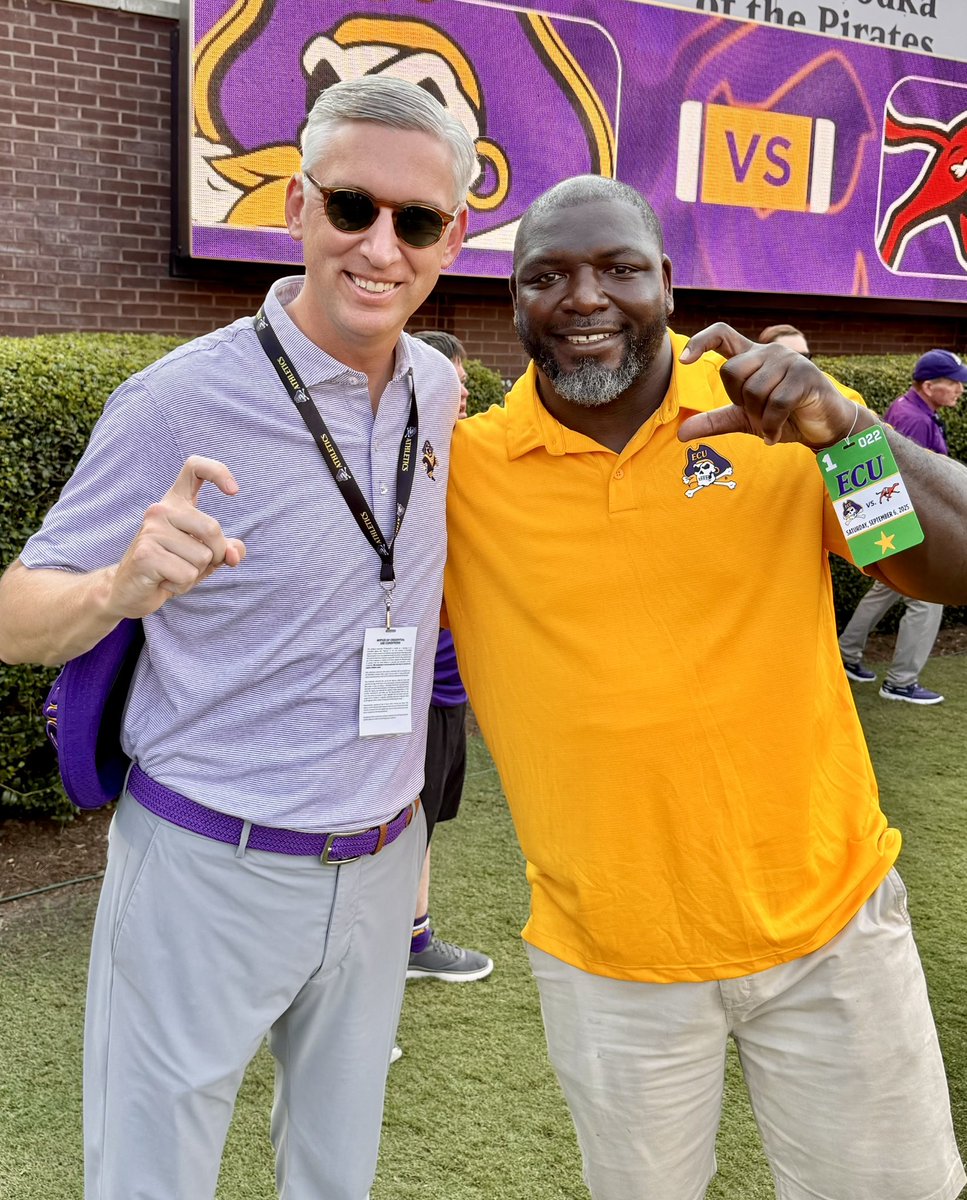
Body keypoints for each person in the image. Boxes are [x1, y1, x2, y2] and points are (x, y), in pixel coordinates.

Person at [443, 175, 967, 1200]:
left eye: (617, 268)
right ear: (515, 304)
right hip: (608, 958)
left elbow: (940, 570)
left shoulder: (778, 430)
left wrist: (845, 428)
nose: (583, 297)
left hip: (830, 931)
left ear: (668, 288)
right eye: (545, 275)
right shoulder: (466, 472)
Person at [0, 76, 476, 1200]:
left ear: (449, 238)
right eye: (351, 207)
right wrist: (118, 587)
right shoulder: (178, 399)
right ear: (298, 209)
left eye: (415, 221)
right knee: (151, 1180)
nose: (379, 246)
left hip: (377, 864)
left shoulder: (443, 393)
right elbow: (17, 614)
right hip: (206, 863)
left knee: (334, 1177)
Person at [406, 329, 493, 983]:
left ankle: (411, 940)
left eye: (462, 381)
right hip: (394, 689)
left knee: (420, 824)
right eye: (446, 378)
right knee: (382, 833)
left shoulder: (475, 456)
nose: (459, 392)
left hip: (444, 686)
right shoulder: (386, 456)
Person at [839, 348, 965, 704]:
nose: (960, 391)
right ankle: (900, 682)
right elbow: (920, 482)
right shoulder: (916, 419)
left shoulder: (915, 410)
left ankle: (846, 654)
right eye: (954, 384)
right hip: (906, 521)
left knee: (884, 590)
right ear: (929, 385)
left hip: (894, 519)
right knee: (928, 598)